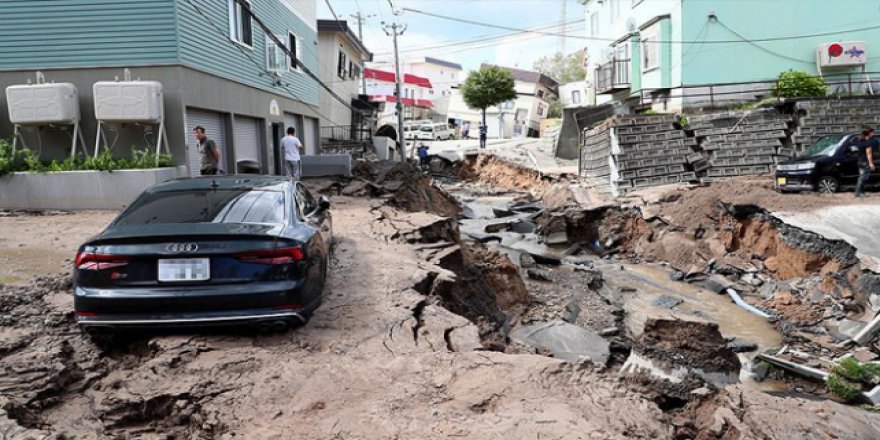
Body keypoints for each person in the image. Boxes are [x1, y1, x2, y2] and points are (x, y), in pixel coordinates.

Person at [855, 125, 878, 198]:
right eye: (872, 133)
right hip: (865, 162)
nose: (873, 134)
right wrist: (871, 164)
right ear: (869, 134)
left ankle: (861, 192)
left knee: (861, 177)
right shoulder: (868, 143)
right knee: (863, 178)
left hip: (860, 161)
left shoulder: (859, 141)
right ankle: (858, 192)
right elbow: (869, 154)